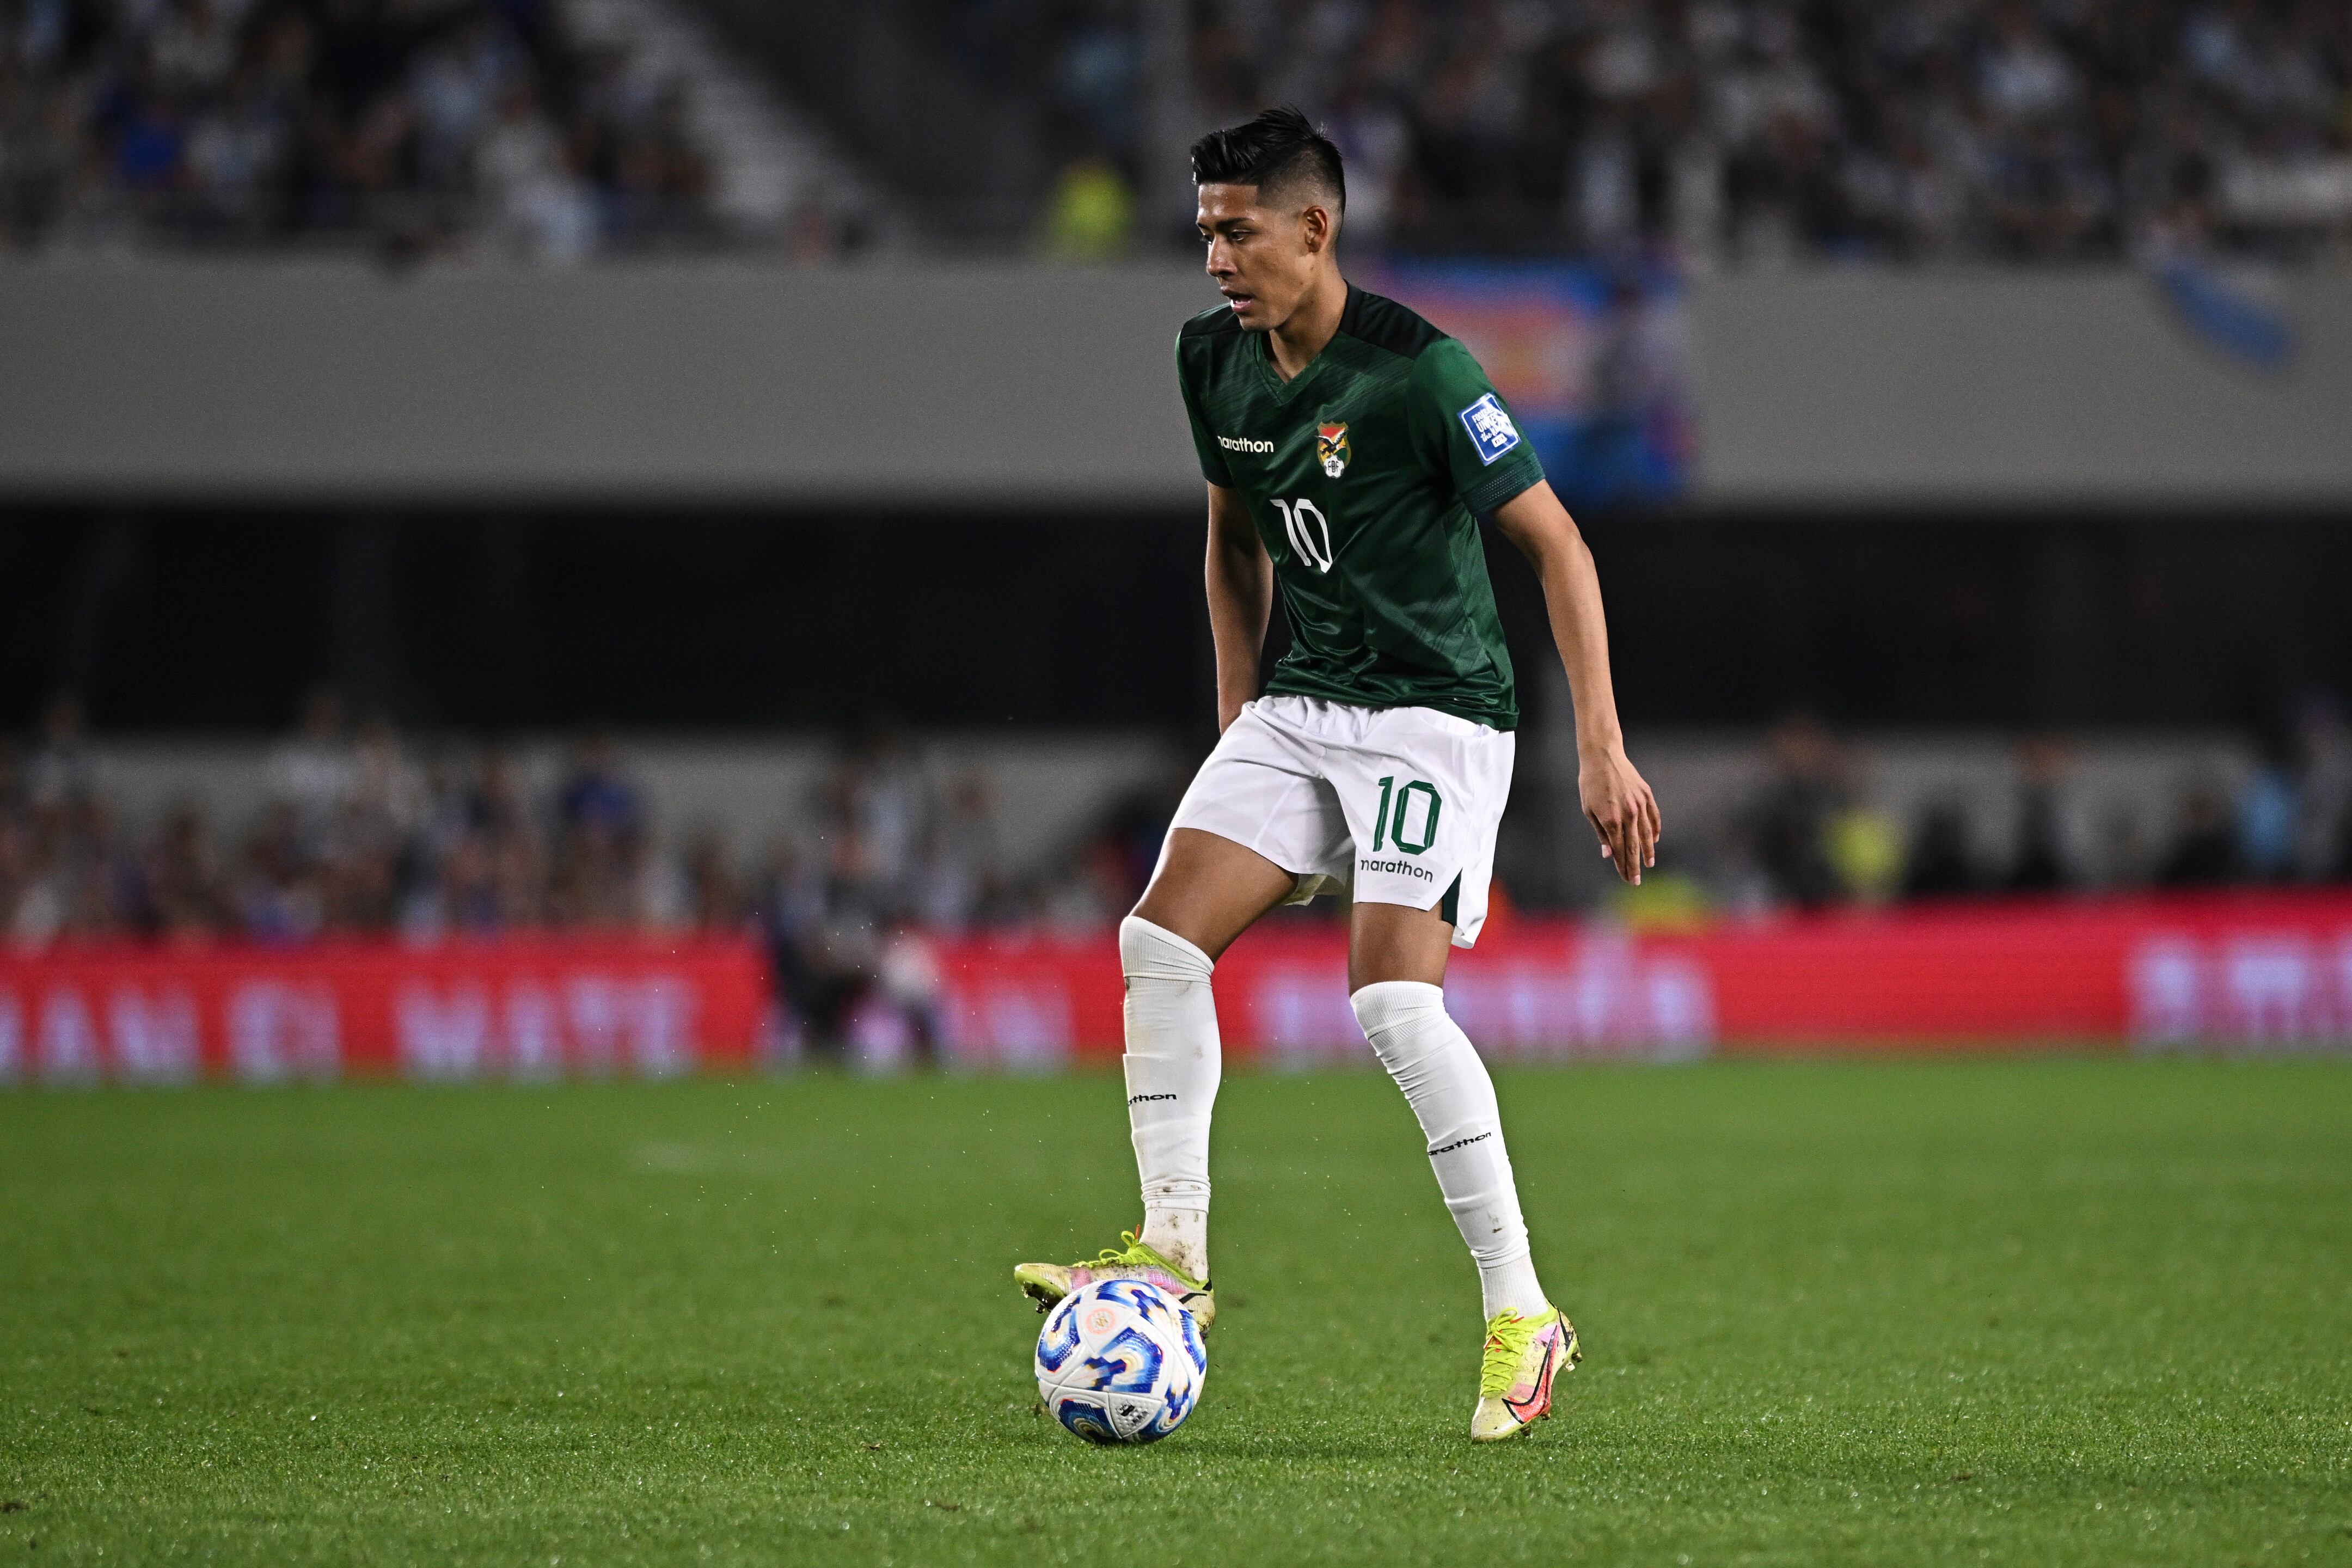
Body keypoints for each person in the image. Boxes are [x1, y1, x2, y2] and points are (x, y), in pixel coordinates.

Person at [1012, 107, 1661, 1444]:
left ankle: (1523, 1315)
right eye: (1203, 231)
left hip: (1437, 717)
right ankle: (1173, 1257)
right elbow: (1232, 544)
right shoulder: (1212, 364)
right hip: (1303, 708)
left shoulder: (1421, 374)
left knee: (1391, 1006)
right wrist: (1237, 723)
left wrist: (1599, 743)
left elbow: (1560, 549)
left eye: (1237, 230)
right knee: (1158, 942)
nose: (1214, 258)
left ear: (1315, 227)